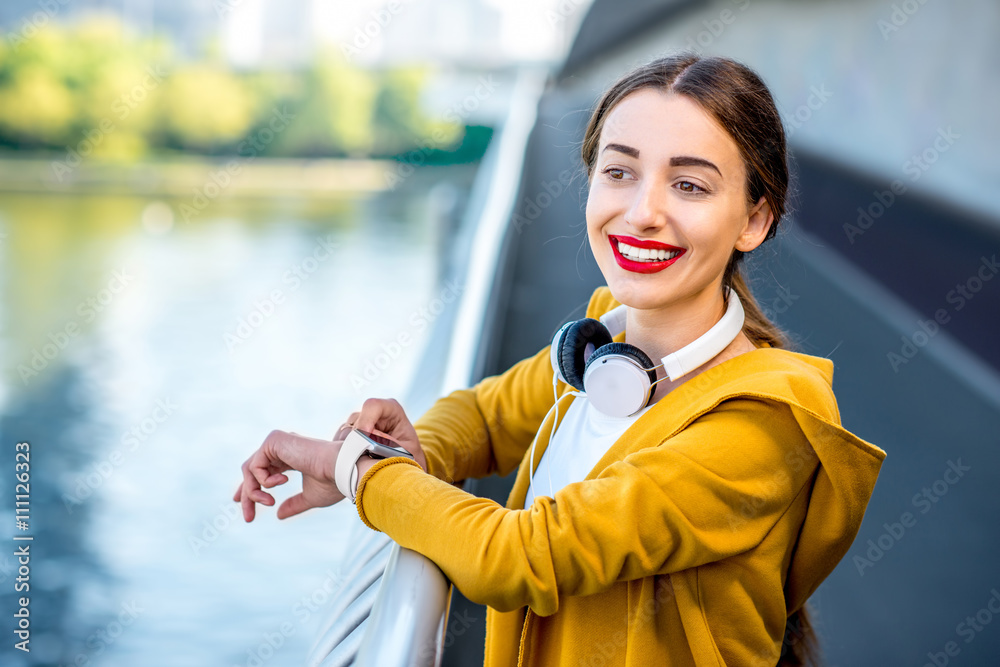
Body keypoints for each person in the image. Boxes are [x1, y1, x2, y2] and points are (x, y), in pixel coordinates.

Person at [235, 52, 887, 666]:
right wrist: (412, 453)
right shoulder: (603, 340)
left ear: (754, 219)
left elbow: (521, 556)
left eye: (689, 184)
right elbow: (484, 416)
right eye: (620, 171)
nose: (643, 212)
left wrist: (356, 468)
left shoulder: (763, 426)